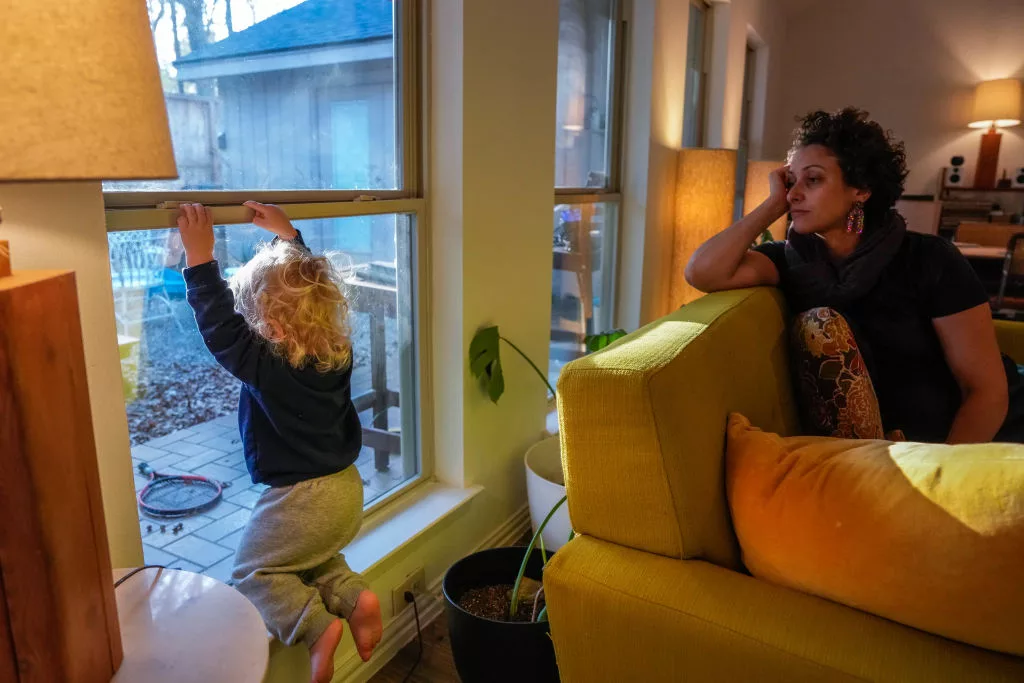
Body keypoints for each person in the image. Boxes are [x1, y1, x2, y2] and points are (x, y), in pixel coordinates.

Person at [685, 107, 1022, 444]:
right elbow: (702, 272)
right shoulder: (789, 261)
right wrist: (772, 205)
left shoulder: (929, 259)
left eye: (813, 179)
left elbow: (986, 392)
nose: (793, 194)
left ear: (861, 189)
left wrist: (944, 473)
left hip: (979, 438)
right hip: (885, 451)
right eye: (791, 181)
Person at [176, 201, 383, 683]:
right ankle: (356, 598)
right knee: (311, 559)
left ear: (269, 330)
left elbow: (220, 329)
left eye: (255, 323)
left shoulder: (268, 368)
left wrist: (199, 260)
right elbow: (309, 288)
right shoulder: (337, 352)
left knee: (255, 572)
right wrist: (289, 237)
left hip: (302, 497)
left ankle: (317, 628)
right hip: (346, 489)